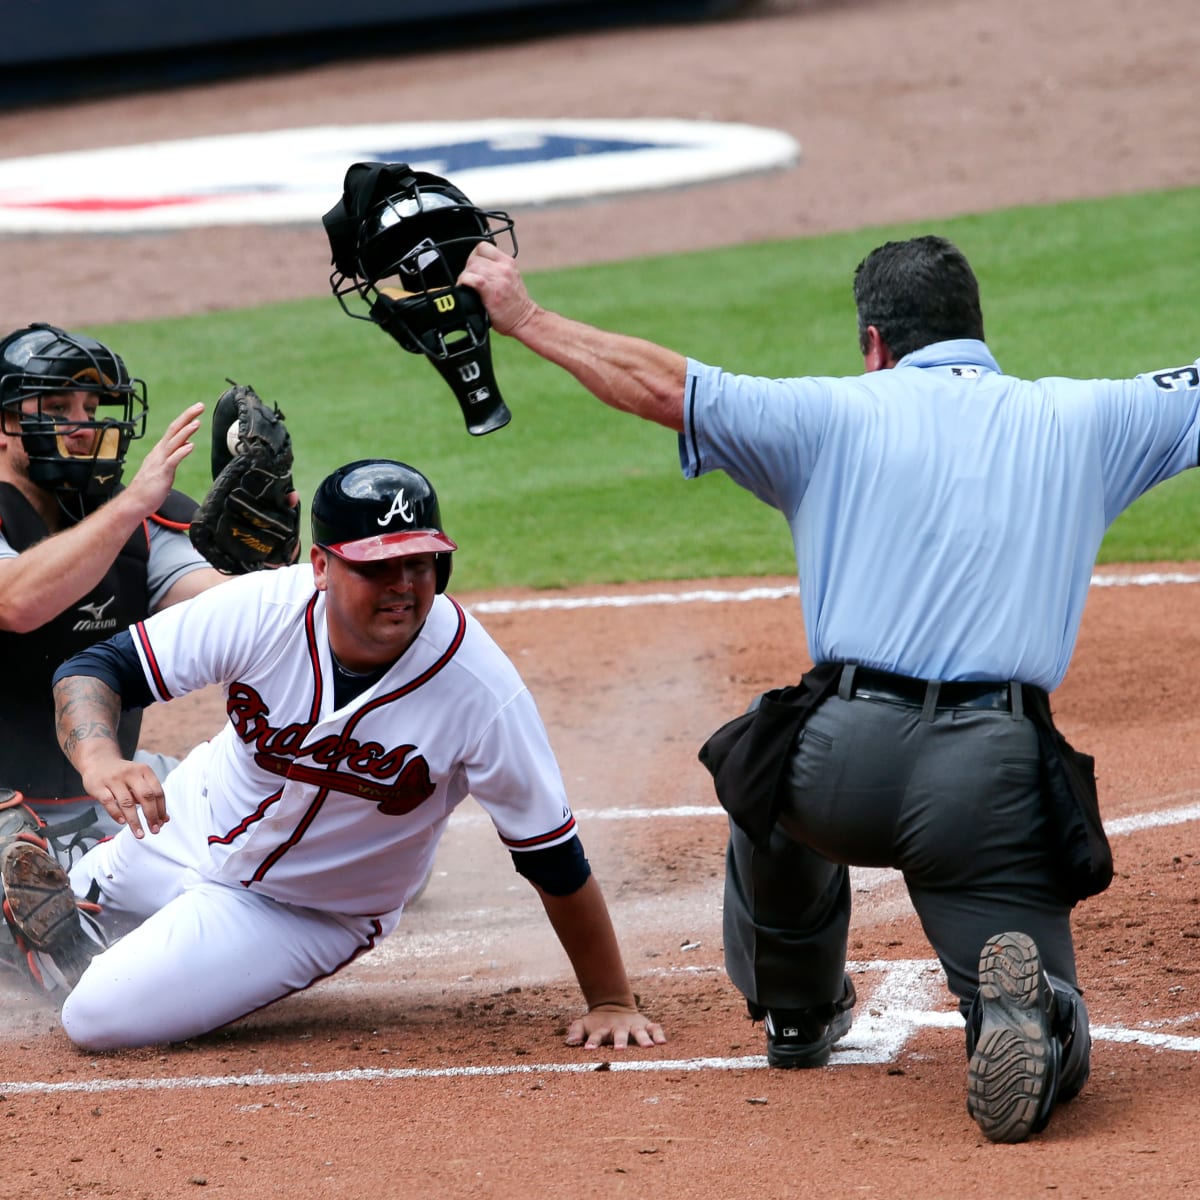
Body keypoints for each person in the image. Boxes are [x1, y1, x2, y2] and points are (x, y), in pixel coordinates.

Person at [456, 233, 1200, 1142]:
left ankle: (799, 1009)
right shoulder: (1093, 418)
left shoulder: (825, 413)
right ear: (978, 331)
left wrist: (522, 314)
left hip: (836, 764)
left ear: (875, 343)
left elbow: (660, 383)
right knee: (1043, 1022)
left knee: (758, 761)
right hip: (988, 783)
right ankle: (1030, 1012)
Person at [40, 458, 666, 1053]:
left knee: (96, 1014)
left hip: (303, 910)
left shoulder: (480, 690)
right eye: (376, 568)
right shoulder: (264, 608)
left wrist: (611, 999)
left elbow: (551, 854)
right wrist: (99, 759)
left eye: (421, 564)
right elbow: (100, 665)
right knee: (32, 928)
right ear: (320, 565)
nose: (403, 587)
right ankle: (87, 911)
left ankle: (105, 934)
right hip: (184, 822)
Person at [0, 322, 227, 856]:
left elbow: (223, 604)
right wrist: (130, 506)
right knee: (26, 926)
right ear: (4, 424)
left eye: (91, 408)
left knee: (311, 836)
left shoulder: (143, 521)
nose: (83, 426)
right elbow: (16, 602)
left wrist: (268, 561)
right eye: (56, 408)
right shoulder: (131, 510)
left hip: (101, 801)